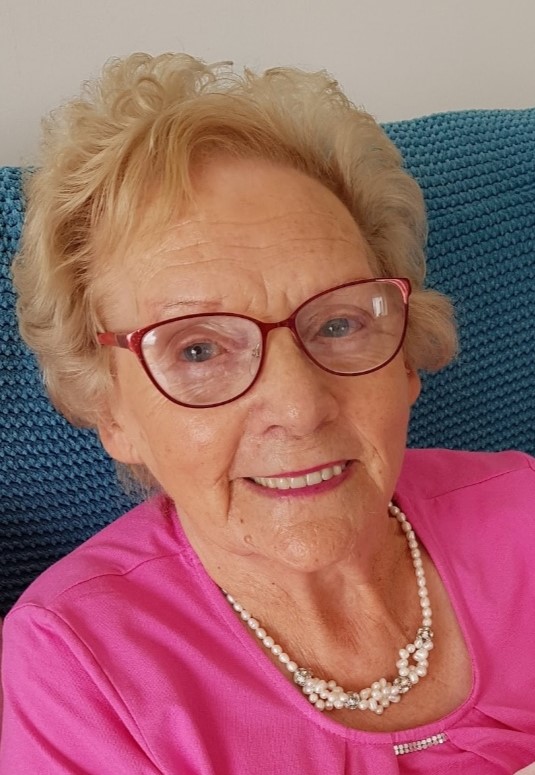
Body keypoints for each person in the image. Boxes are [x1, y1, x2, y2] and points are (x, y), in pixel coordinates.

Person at [1, 53, 534, 775]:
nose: (299, 406)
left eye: (339, 323)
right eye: (197, 349)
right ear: (110, 410)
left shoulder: (522, 513)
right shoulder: (77, 670)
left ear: (405, 355)